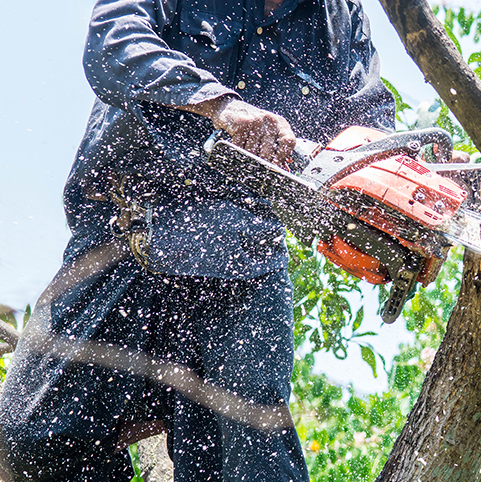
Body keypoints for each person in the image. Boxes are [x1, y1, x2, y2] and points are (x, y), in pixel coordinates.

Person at [0, 0, 395, 480]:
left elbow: (370, 136)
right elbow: (112, 42)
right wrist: (217, 103)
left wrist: (397, 213)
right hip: (127, 236)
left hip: (243, 261)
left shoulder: (339, 20)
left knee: (249, 459)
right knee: (30, 436)